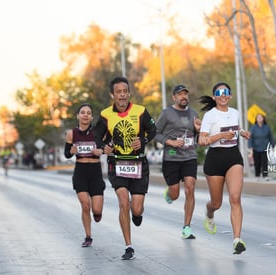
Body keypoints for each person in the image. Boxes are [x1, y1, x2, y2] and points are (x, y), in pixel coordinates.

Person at [94, 76, 156, 260]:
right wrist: (104, 146)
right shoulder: (106, 115)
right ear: (112, 94)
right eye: (118, 92)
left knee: (136, 209)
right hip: (117, 164)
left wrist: (143, 140)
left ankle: (137, 215)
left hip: (138, 165)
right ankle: (128, 246)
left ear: (129, 93)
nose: (122, 95)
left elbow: (153, 130)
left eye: (125, 91)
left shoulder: (140, 111)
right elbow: (97, 136)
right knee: (123, 202)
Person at [198, 82, 250, 255]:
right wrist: (221, 135)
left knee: (235, 198)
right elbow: (202, 140)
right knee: (217, 202)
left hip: (233, 157)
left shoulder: (235, 112)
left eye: (226, 92)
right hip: (215, 160)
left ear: (230, 95)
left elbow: (234, 127)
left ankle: (237, 239)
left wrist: (242, 132)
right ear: (214, 97)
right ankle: (209, 212)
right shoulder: (210, 116)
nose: (223, 95)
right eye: (219, 93)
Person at [154, 84, 201, 239]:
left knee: (190, 188)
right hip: (172, 157)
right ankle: (170, 193)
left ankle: (186, 227)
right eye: (180, 94)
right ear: (174, 97)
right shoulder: (167, 113)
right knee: (175, 195)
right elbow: (155, 133)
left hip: (189, 156)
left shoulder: (194, 114)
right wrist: (170, 142)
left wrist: (199, 130)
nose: (183, 97)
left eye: (185, 94)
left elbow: (199, 138)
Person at [64, 103, 105, 247]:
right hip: (80, 171)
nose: (85, 115)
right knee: (85, 205)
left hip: (95, 172)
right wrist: (71, 151)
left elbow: (106, 148)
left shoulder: (98, 133)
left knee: (97, 210)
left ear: (92, 116)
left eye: (88, 112)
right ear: (78, 115)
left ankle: (97, 213)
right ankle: (88, 236)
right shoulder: (71, 133)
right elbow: (67, 154)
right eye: (83, 112)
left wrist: (101, 151)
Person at [248, 113, 274, 179]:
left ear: (263, 119)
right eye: (258, 117)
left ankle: (265, 176)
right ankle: (257, 175)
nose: (259, 119)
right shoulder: (253, 128)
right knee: (257, 163)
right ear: (256, 119)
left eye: (261, 117)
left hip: (265, 147)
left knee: (264, 162)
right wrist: (250, 148)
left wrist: (273, 146)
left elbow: (270, 137)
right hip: (256, 148)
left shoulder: (267, 127)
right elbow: (250, 138)